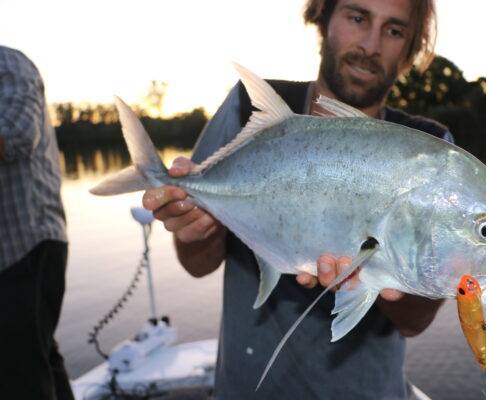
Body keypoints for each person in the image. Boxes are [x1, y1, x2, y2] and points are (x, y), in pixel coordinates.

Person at [144, 0, 453, 398]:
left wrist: (391, 270)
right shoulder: (249, 107)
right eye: (357, 18)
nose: (371, 44)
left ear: (409, 47)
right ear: (322, 18)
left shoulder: (430, 154)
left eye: (394, 31)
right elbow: (197, 263)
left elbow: (414, 321)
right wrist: (194, 226)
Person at [0, 2, 74, 399]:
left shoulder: (1, 63)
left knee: (20, 379)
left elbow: (12, 138)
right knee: (38, 363)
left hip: (24, 248)